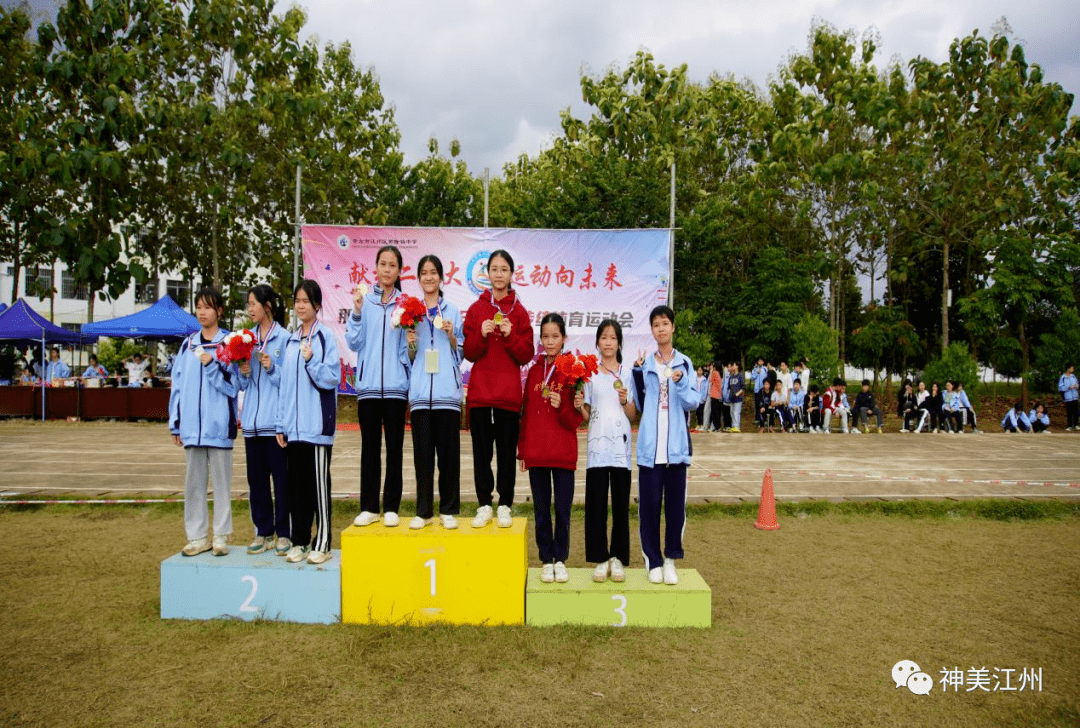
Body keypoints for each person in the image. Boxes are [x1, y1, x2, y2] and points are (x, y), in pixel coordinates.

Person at [462, 249, 534, 528]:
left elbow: (525, 354)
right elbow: (468, 352)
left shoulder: (520, 312)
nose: (499, 274)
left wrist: (510, 334)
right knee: (482, 454)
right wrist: (480, 334)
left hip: (507, 398)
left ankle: (505, 504)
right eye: (494, 269)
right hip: (480, 396)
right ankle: (483, 504)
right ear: (487, 274)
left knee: (506, 454)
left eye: (504, 269)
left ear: (511, 274)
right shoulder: (476, 309)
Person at [168, 286, 239, 557]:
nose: (202, 312)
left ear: (219, 311)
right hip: (191, 429)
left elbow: (233, 388)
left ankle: (220, 535)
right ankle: (197, 536)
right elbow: (177, 385)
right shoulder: (188, 345)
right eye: (198, 306)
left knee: (222, 484)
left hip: (218, 426)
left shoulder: (230, 344)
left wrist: (213, 366)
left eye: (208, 307)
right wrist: (176, 422)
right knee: (194, 485)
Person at [631, 305, 698, 586]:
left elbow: (694, 401)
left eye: (665, 323)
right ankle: (653, 561)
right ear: (652, 330)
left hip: (676, 449)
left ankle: (671, 559)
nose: (661, 328)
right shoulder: (644, 366)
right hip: (650, 450)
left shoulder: (684, 363)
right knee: (648, 508)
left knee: (674, 508)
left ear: (673, 328)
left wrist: (680, 384)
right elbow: (636, 405)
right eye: (656, 324)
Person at [347, 246, 411, 528]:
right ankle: (369, 506)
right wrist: (358, 313)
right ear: (376, 267)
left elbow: (408, 349)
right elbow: (354, 343)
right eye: (383, 264)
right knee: (369, 448)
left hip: (396, 389)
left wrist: (409, 347)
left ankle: (391, 507)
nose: (387, 269)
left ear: (399, 271)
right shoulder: (364, 301)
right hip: (369, 388)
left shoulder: (406, 304)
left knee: (394, 448)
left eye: (392, 265)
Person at [276, 280, 339, 564]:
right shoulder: (290, 341)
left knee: (317, 487)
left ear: (317, 305)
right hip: (294, 430)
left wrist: (312, 360)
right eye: (297, 301)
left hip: (316, 428)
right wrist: (281, 424)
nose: (301, 306)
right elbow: (285, 388)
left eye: (306, 301)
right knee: (296, 488)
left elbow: (331, 378)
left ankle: (323, 541)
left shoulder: (324, 337)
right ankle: (299, 540)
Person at [518, 313, 584, 584]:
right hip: (537, 451)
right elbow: (526, 413)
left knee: (563, 510)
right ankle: (546, 558)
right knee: (542, 509)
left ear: (564, 338)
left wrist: (563, 406)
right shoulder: (534, 370)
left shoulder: (573, 371)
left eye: (555, 336)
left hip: (563, 452)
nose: (550, 341)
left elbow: (575, 420)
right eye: (545, 336)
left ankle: (561, 558)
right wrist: (522, 450)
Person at [404, 255, 464, 530]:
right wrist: (410, 342)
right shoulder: (410, 312)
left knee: (448, 457)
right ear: (419, 278)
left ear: (442, 277)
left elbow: (461, 353)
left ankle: (449, 509)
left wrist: (452, 337)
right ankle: (424, 511)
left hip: (446, 396)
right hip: (419, 395)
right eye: (424, 273)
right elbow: (410, 356)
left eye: (433, 272)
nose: (428, 277)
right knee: (423, 456)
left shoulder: (451, 310)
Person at [238, 284, 291, 556]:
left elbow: (289, 383)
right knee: (256, 482)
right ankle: (263, 531)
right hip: (251, 426)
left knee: (281, 481)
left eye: (253, 304)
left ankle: (284, 533)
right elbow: (242, 384)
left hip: (275, 425)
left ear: (267, 306)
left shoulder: (285, 339)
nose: (250, 309)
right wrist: (243, 370)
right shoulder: (245, 340)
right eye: (248, 305)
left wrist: (272, 367)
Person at [583, 319, 636, 584]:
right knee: (595, 506)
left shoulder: (627, 374)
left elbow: (633, 413)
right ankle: (599, 557)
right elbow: (586, 414)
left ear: (619, 343)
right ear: (597, 342)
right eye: (603, 337)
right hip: (596, 449)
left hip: (620, 449)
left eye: (613, 338)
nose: (608, 342)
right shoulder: (589, 374)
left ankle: (617, 558)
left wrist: (625, 399)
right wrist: (577, 403)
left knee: (619, 506)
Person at [726, 361, 745, 433]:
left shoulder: (740, 376)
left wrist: (738, 393)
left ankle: (736, 426)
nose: (732, 366)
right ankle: (733, 426)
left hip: (738, 398)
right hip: (731, 398)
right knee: (732, 412)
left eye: (733, 365)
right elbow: (729, 387)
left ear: (737, 367)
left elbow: (743, 387)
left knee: (736, 412)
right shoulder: (731, 376)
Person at [1059, 365, 1078, 431]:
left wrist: (1075, 386)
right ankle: (1069, 425)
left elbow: (1077, 383)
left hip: (1075, 396)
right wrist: (1068, 388)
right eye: (1072, 368)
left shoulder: (1073, 376)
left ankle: (1075, 424)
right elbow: (1060, 387)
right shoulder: (1063, 377)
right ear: (1068, 369)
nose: (1073, 369)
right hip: (1068, 397)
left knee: (1076, 411)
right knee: (1069, 412)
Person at [750, 358, 768, 428]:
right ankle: (757, 418)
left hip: (763, 389)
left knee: (764, 403)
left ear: (763, 362)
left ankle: (764, 418)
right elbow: (752, 378)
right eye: (759, 361)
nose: (760, 362)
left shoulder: (765, 369)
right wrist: (756, 372)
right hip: (757, 389)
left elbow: (766, 378)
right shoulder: (755, 369)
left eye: (761, 361)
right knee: (757, 404)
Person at [708, 360, 723, 433]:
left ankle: (716, 427)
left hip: (713, 395)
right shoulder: (719, 373)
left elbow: (710, 380)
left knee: (714, 412)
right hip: (718, 395)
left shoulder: (714, 373)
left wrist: (711, 372)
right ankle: (717, 426)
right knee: (717, 412)